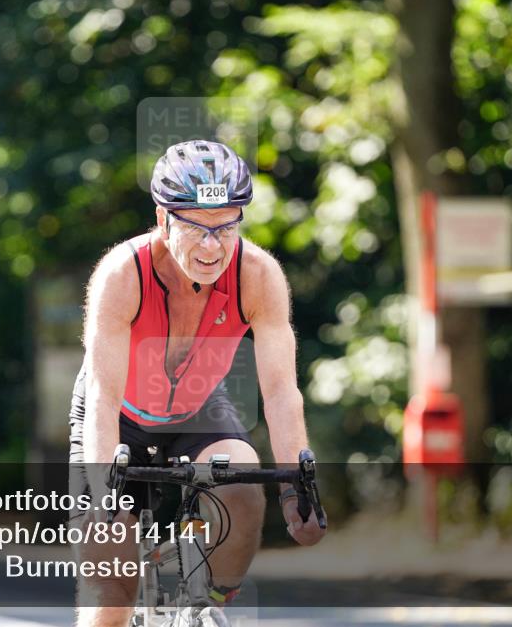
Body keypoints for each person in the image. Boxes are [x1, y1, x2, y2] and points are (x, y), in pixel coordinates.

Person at [70, 140, 324, 627]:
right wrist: (105, 494)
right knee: (110, 595)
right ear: (164, 220)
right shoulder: (122, 274)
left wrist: (297, 492)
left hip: (197, 406)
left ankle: (207, 606)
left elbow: (280, 392)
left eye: (226, 227)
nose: (212, 246)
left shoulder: (258, 276)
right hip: (115, 412)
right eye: (196, 228)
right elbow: (102, 396)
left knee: (244, 485)